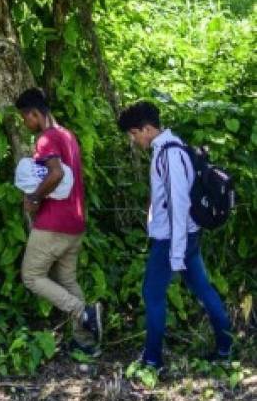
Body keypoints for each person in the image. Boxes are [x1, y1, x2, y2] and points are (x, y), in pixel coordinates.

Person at [117, 101, 232, 370]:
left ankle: (153, 361)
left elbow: (178, 205)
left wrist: (176, 253)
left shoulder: (167, 154)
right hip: (187, 235)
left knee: (152, 294)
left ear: (146, 129)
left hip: (172, 239)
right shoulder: (173, 146)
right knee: (202, 288)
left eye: (134, 134)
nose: (133, 140)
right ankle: (225, 350)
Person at [15, 88, 102, 354]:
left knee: (31, 276)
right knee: (67, 280)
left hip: (53, 222)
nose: (25, 124)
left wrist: (34, 198)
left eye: (24, 118)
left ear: (34, 114)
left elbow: (54, 174)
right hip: (75, 222)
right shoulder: (68, 135)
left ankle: (83, 312)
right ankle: (87, 343)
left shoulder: (46, 139)